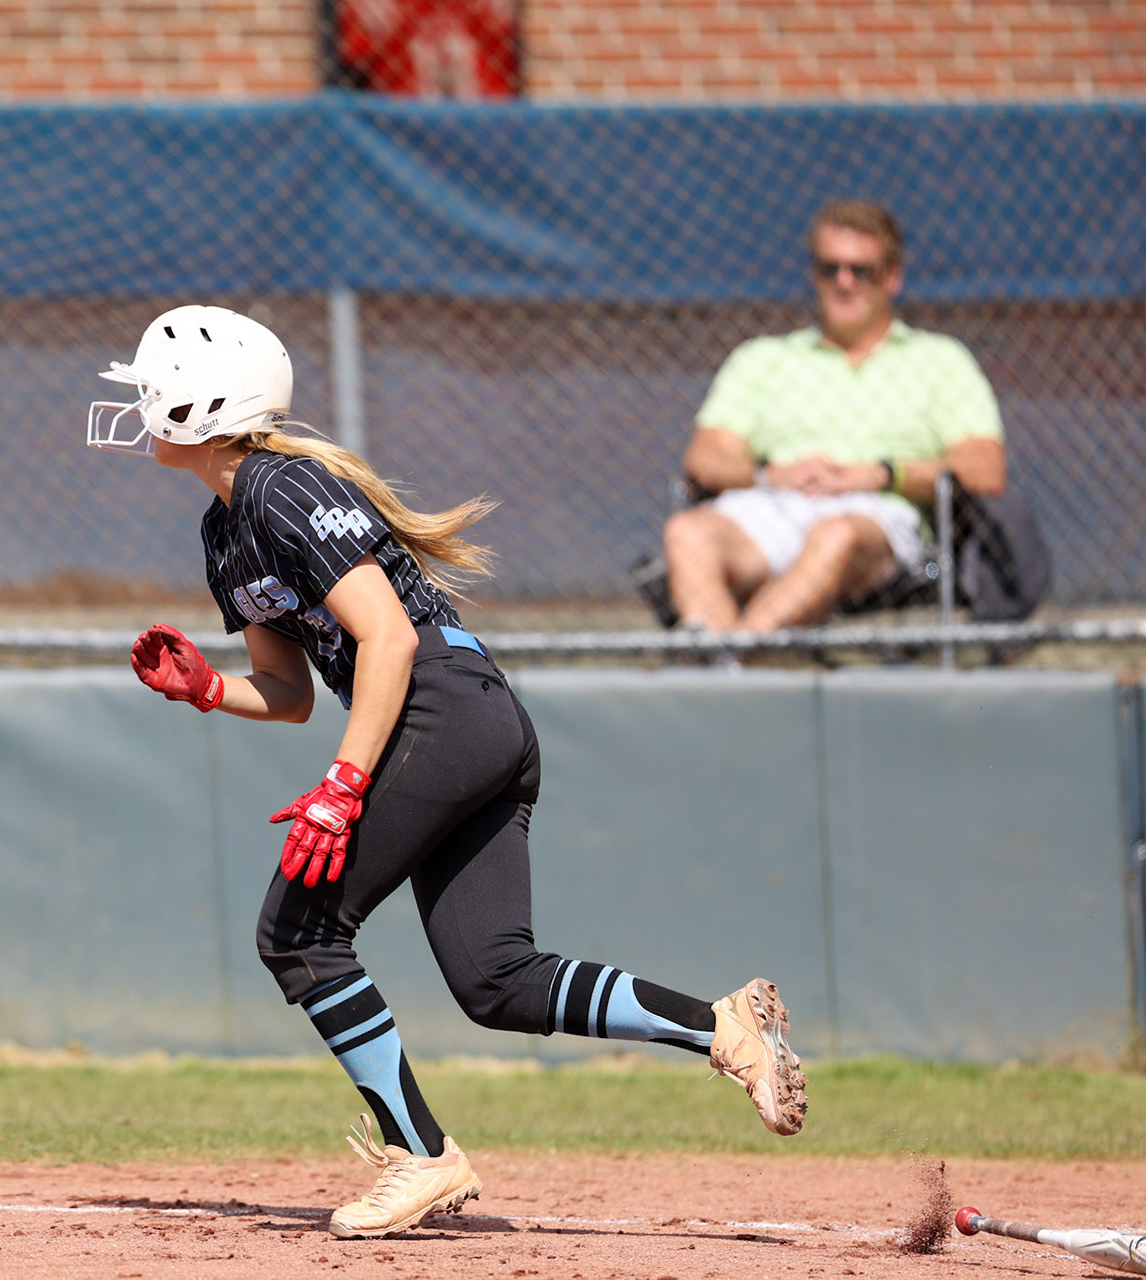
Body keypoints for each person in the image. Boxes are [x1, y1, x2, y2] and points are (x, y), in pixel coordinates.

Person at [87, 304, 809, 1240]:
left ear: (201, 405)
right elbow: (290, 690)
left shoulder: (279, 487)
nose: (140, 405)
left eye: (153, 387)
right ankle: (723, 1028)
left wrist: (343, 787)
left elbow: (387, 637)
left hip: (446, 707)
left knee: (299, 931)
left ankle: (420, 1155)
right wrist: (204, 689)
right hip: (465, 714)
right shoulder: (225, 531)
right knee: (497, 982)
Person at [662, 199, 1007, 632]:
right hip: (772, 505)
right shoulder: (761, 359)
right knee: (687, 534)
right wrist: (772, 475)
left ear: (892, 277)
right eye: (830, 269)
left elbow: (984, 468)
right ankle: (734, 670)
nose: (845, 283)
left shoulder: (941, 361)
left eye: (862, 271)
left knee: (834, 533)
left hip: (880, 523)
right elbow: (705, 458)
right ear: (814, 275)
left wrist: (881, 475)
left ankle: (729, 668)